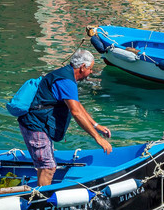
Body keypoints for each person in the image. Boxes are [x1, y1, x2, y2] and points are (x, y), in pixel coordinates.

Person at [19, 49, 112, 187]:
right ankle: (42, 201)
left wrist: (96, 125)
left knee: (46, 166)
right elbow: (76, 113)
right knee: (48, 168)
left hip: (40, 124)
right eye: (90, 69)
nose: (91, 72)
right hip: (35, 125)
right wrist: (98, 138)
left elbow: (78, 106)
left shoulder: (66, 75)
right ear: (82, 68)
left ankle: (41, 189)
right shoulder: (66, 81)